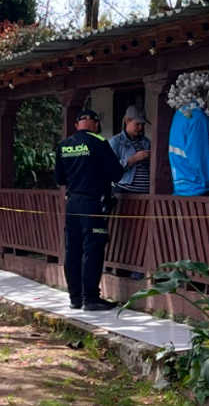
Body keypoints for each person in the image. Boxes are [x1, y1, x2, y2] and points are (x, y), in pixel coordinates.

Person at [54, 109, 124, 312]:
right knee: (92, 249)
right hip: (93, 204)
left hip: (72, 204)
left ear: (77, 125)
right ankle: (91, 298)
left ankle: (75, 298)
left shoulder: (64, 145)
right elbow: (117, 174)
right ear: (95, 124)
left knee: (73, 250)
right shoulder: (98, 142)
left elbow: (60, 179)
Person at [168, 100, 209, 196]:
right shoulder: (199, 117)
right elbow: (201, 160)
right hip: (199, 189)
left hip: (181, 187)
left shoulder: (180, 113)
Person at [109, 106, 152, 194]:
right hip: (125, 191)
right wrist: (135, 158)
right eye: (137, 124)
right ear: (127, 121)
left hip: (146, 192)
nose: (141, 128)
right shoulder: (116, 141)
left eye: (143, 125)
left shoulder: (146, 142)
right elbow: (111, 168)